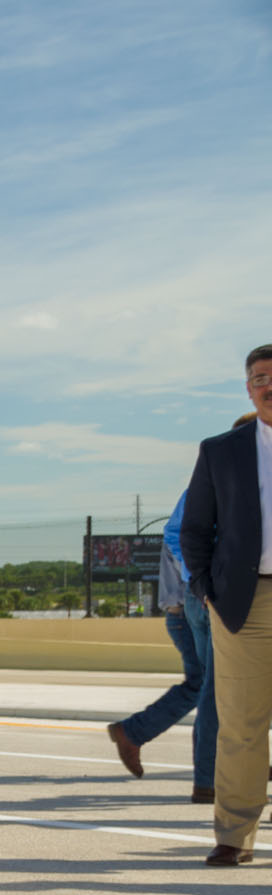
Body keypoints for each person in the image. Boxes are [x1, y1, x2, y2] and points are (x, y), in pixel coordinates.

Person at [180, 344, 272, 867]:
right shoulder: (222, 451)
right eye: (260, 378)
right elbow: (195, 529)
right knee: (241, 722)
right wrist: (205, 588)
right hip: (245, 601)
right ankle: (235, 836)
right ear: (248, 388)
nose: (268, 386)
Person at [106, 489, 214, 801]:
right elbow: (177, 535)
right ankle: (211, 773)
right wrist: (202, 582)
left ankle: (133, 733)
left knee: (205, 687)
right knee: (209, 689)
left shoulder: (206, 499)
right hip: (190, 611)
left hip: (184, 611)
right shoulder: (201, 504)